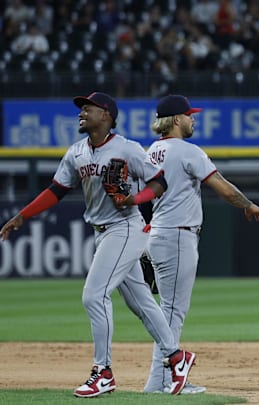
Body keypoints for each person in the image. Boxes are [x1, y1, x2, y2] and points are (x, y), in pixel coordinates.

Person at [0, 92, 196, 398]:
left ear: (105, 115)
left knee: (94, 295)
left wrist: (134, 198)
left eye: (87, 109)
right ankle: (176, 357)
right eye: (81, 109)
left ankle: (102, 372)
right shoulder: (77, 152)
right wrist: (23, 216)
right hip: (102, 232)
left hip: (126, 227)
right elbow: (56, 190)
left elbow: (159, 182)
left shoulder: (127, 148)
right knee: (141, 302)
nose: (81, 113)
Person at [142, 95, 259, 394]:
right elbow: (222, 188)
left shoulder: (152, 151)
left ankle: (157, 380)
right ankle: (164, 381)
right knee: (172, 312)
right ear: (176, 120)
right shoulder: (187, 151)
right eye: (189, 115)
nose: (193, 119)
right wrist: (248, 205)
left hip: (158, 233)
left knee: (167, 311)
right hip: (177, 235)